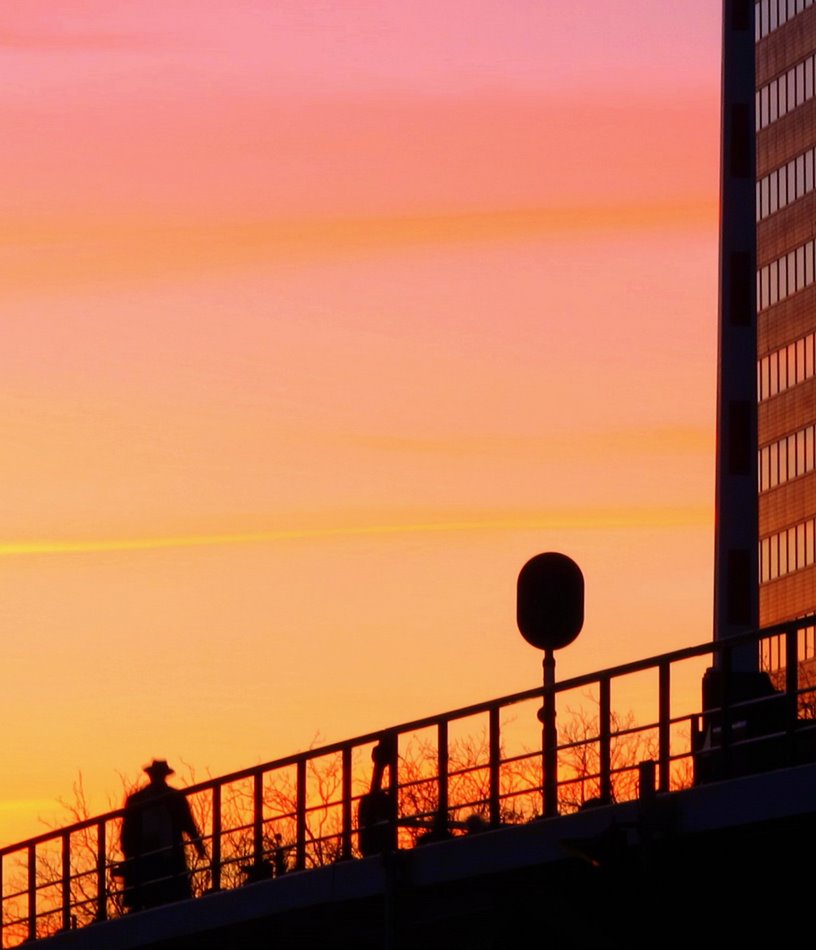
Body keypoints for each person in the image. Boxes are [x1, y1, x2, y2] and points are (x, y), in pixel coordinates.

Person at [119, 759, 206, 912]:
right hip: (158, 854)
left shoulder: (138, 799)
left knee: (153, 892)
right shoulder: (174, 797)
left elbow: (127, 832)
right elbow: (188, 824)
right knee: (164, 891)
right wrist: (198, 845)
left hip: (156, 855)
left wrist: (198, 844)